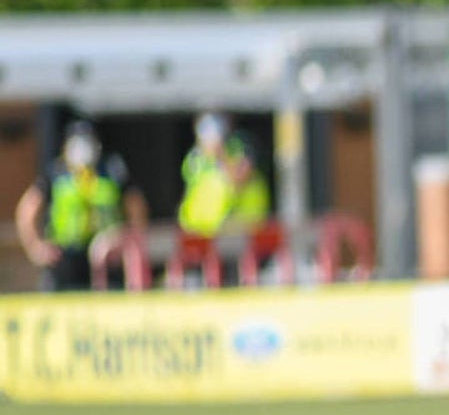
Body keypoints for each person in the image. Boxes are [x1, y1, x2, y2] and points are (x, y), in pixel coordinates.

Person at [15, 120, 147, 291]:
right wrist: (35, 246)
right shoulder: (56, 173)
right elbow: (27, 209)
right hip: (64, 257)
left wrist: (126, 241)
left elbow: (136, 206)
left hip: (106, 257)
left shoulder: (111, 170)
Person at [178, 111, 270, 239]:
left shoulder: (254, 184)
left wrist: (221, 156)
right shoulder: (197, 161)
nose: (242, 167)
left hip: (240, 241)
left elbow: (237, 179)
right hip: (197, 235)